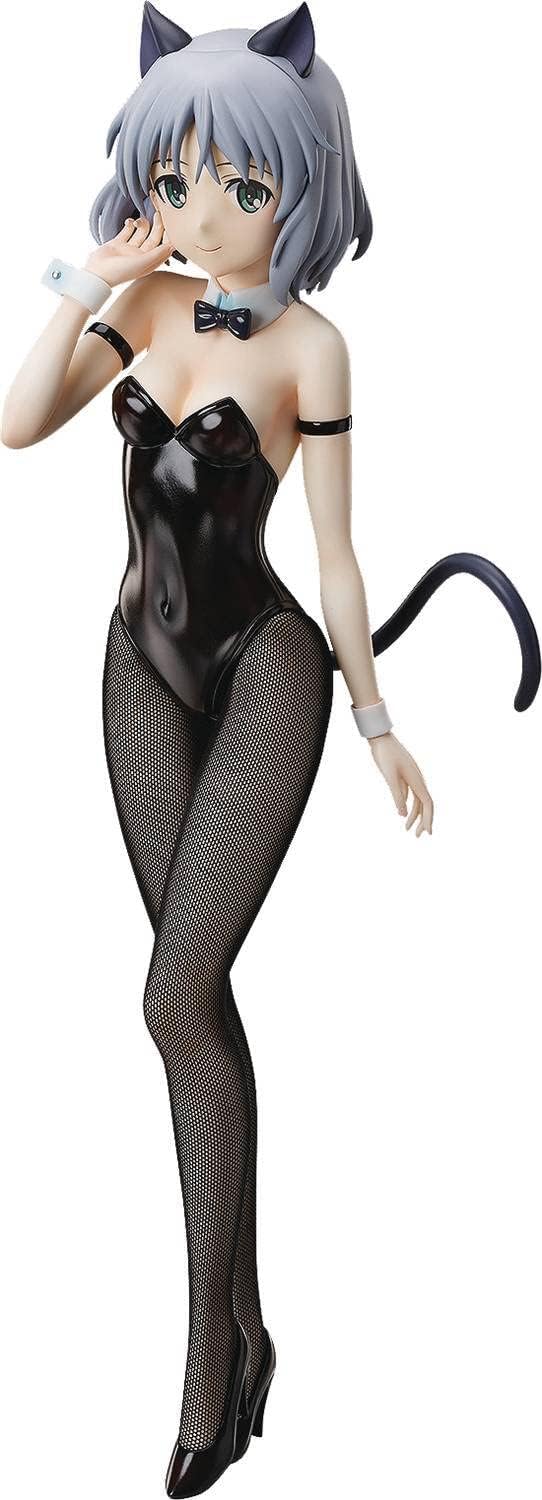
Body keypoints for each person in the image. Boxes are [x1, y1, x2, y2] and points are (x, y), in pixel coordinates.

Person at [2, 5, 539, 1495]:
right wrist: (89, 274)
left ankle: (207, 1361)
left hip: (266, 672)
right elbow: (17, 422)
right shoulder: (146, 301)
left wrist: (375, 719)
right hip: (135, 666)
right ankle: (246, 1333)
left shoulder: (313, 345)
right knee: (195, 1009)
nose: (204, 213)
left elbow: (340, 555)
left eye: (241, 184)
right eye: (178, 181)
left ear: (300, 182)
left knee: (172, 991)